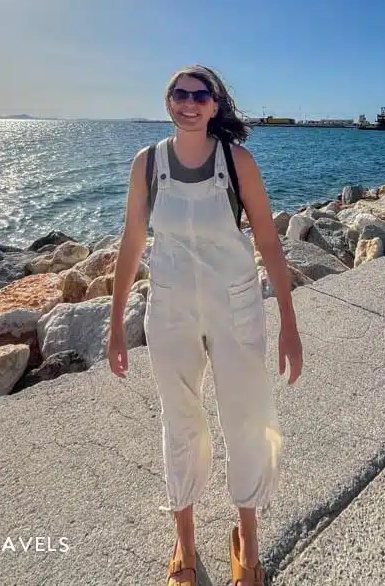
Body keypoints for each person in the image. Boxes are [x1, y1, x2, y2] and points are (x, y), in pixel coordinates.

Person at [108, 65, 303, 586]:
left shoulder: (237, 163)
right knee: (179, 422)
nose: (189, 103)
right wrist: (115, 323)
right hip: (170, 311)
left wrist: (289, 322)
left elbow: (268, 242)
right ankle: (185, 542)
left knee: (245, 419)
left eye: (200, 95)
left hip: (235, 307)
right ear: (168, 101)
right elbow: (132, 241)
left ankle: (247, 543)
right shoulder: (148, 163)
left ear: (215, 105)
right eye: (180, 93)